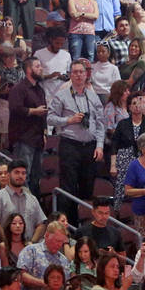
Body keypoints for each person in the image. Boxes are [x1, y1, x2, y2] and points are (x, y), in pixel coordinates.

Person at [48, 60, 104, 220]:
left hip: (90, 147)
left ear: (86, 75)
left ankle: (85, 223)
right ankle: (68, 225)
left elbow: (100, 123)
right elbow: (51, 118)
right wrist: (68, 120)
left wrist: (99, 146)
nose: (79, 75)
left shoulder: (93, 96)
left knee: (88, 186)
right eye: (75, 72)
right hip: (70, 145)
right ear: (70, 75)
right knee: (68, 187)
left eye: (81, 72)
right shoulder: (62, 95)